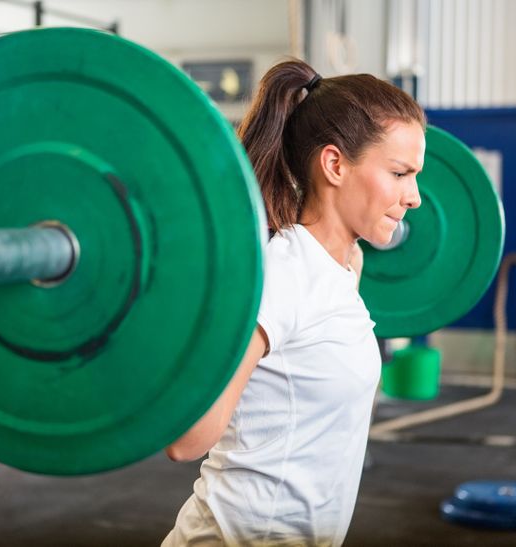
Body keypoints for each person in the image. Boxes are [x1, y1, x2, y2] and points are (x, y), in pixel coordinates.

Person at [162, 59, 426, 546]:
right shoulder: (283, 274)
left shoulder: (345, 266)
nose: (414, 197)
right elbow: (188, 439)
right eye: (399, 173)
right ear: (334, 164)